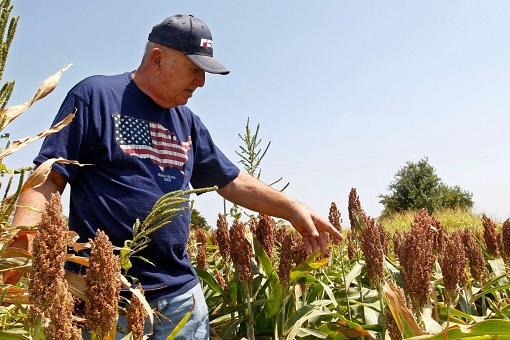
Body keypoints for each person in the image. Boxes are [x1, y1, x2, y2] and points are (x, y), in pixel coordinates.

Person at [4, 14, 343, 339]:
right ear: (157, 59)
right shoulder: (95, 97)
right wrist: (18, 254)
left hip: (182, 300)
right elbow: (49, 177)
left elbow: (232, 180)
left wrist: (292, 208)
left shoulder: (187, 121)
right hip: (107, 298)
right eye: (194, 69)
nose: (201, 82)